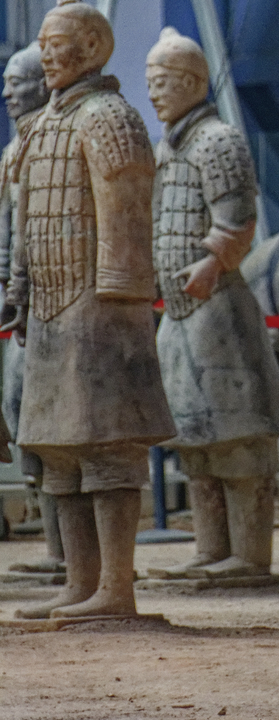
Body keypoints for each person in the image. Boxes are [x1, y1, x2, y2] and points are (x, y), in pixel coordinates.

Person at [6, 0, 175, 619]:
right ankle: (81, 583)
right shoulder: (41, 126)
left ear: (97, 48)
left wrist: (120, 293)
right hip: (50, 307)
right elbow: (24, 222)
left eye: (61, 42)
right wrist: (21, 289)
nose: (49, 53)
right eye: (45, 43)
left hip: (98, 308)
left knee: (107, 449)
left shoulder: (110, 117)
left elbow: (124, 215)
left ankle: (116, 589)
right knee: (59, 451)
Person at [144, 28, 279, 581]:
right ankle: (211, 550)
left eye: (162, 83)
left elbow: (238, 218)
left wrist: (212, 262)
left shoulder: (219, 140)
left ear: (191, 82)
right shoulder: (169, 146)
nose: (155, 94)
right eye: (150, 84)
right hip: (179, 313)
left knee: (237, 441)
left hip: (217, 310)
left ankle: (250, 556)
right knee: (195, 440)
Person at [0, 43, 53, 577]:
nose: (7, 93)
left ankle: (67, 557)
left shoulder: (49, 141)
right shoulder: (14, 149)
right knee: (26, 425)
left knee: (55, 432)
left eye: (17, 82)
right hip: (19, 309)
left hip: (48, 305)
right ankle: (56, 551)